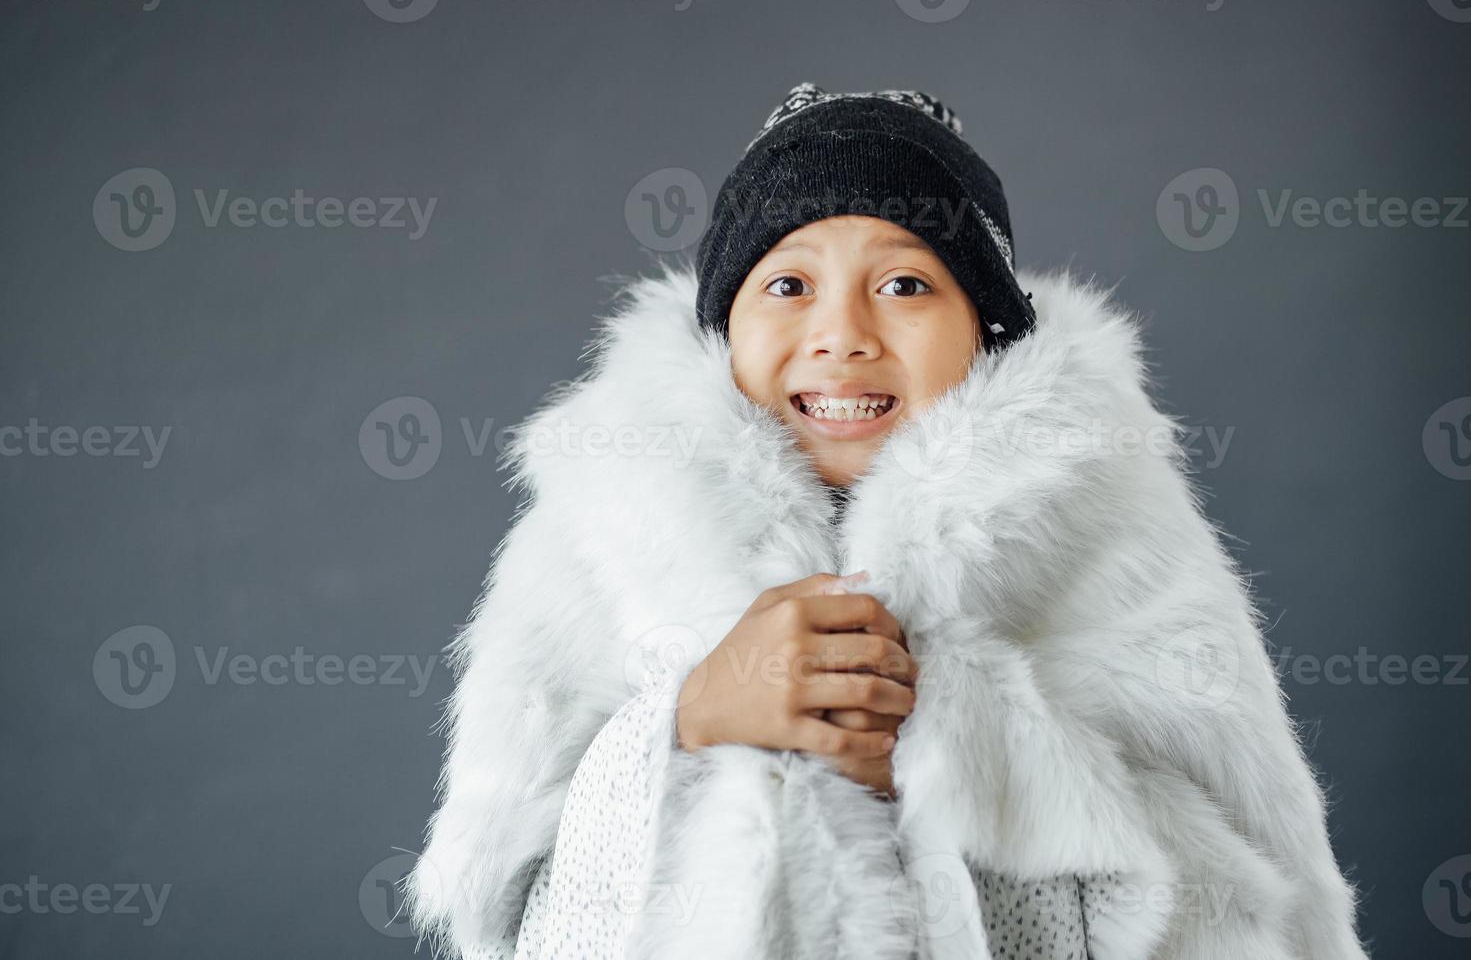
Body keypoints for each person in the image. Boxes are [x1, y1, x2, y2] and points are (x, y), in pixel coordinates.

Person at [402, 83, 1370, 960]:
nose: (841, 334)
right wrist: (689, 719)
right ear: (724, 323)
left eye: (905, 284)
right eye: (786, 284)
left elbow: (1250, 899)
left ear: (985, 326)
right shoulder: (601, 529)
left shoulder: (1113, 529)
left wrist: (952, 732)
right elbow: (505, 899)